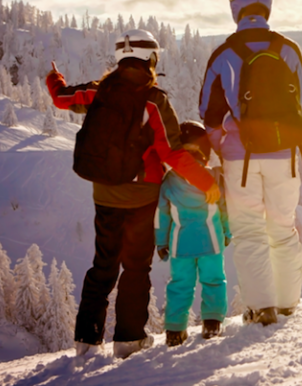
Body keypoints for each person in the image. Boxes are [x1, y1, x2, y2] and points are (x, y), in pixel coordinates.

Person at [47, 29, 217, 359]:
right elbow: (172, 152)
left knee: (103, 265)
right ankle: (128, 340)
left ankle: (87, 340)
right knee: (136, 267)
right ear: (151, 59)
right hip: (141, 197)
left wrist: (54, 78)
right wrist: (206, 182)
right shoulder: (153, 100)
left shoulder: (99, 92)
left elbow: (61, 98)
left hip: (105, 194)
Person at [199, 0, 302, 326]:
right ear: (267, 6)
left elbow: (208, 112)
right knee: (283, 228)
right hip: (285, 155)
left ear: (235, 8)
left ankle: (262, 308)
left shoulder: (224, 53)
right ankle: (288, 303)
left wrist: (224, 146)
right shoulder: (288, 48)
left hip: (241, 158)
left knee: (249, 232)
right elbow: (300, 97)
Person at [156, 121, 230, 346]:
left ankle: (175, 330)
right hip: (212, 241)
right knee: (214, 281)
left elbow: (162, 216)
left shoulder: (169, 181)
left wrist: (161, 242)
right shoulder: (214, 178)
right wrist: (227, 232)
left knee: (180, 284)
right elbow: (225, 208)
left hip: (180, 245)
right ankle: (212, 322)